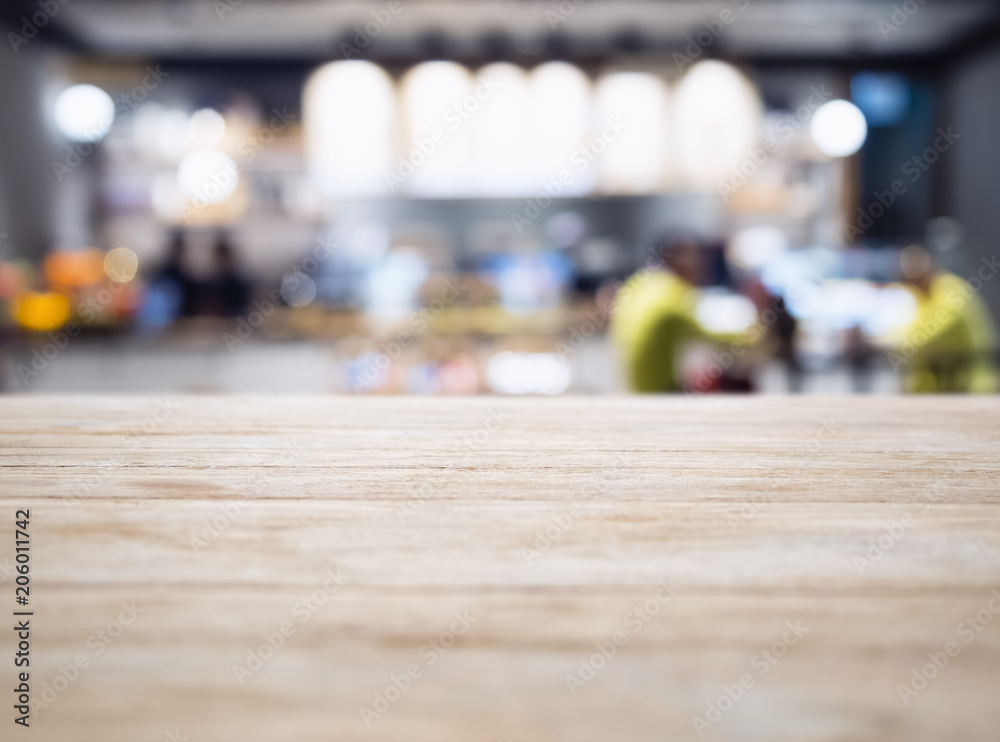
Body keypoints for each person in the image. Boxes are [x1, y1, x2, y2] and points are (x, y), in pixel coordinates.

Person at [611, 236, 747, 393]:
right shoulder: (673, 293)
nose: (702, 263)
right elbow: (708, 335)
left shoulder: (638, 282)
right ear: (679, 259)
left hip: (633, 388)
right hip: (660, 393)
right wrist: (751, 335)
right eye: (697, 255)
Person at [892, 244, 998, 393]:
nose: (910, 283)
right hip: (943, 391)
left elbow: (925, 336)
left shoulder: (951, 291)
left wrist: (879, 341)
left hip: (968, 389)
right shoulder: (924, 296)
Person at [202, 232, 251, 317]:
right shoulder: (210, 283)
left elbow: (243, 308)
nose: (220, 262)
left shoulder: (238, 284)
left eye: (223, 258)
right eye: (218, 258)